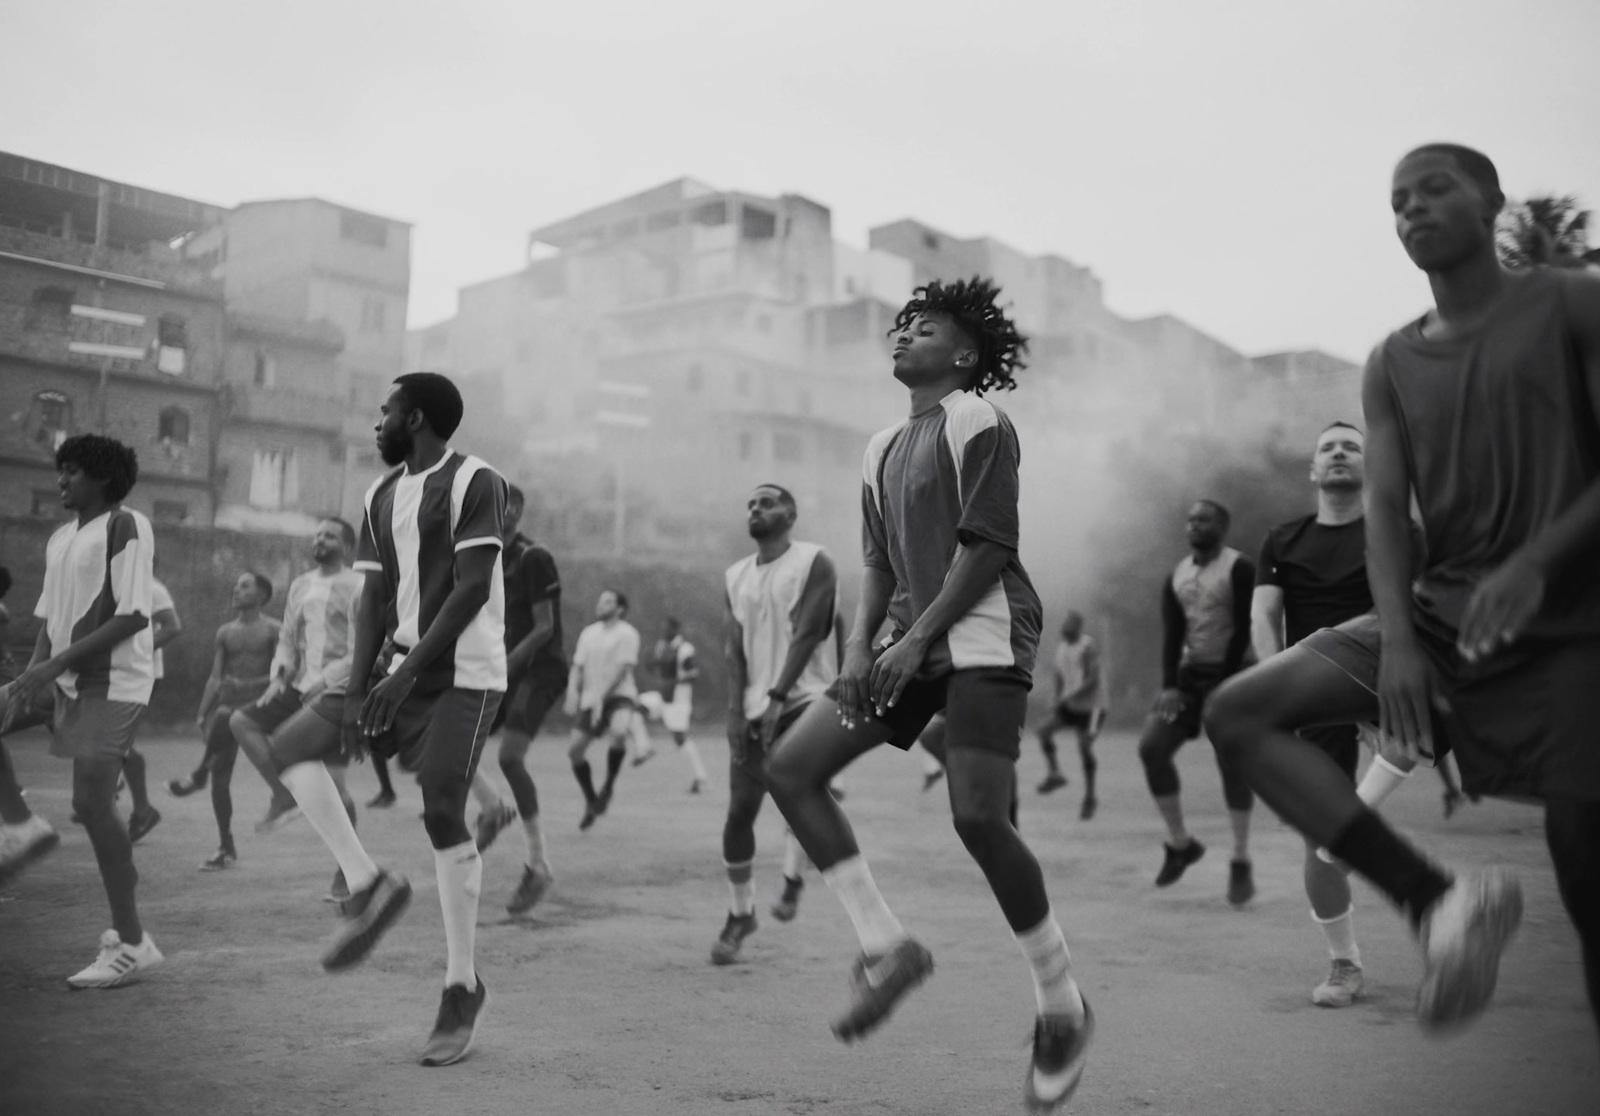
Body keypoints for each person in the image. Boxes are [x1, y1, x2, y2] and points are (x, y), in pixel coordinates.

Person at [1205, 143, 1599, 1038]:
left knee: (1585, 864)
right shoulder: (1391, 360)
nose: (1412, 210)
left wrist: (1538, 562)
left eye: (1435, 189)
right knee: (1240, 714)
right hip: (1439, 614)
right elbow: (1386, 511)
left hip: (1574, 620)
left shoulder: (1570, 303)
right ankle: (1437, 903)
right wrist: (1402, 643)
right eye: (1397, 201)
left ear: (1492, 200)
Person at [765, 278, 1092, 1112]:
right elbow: (875, 564)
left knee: (979, 817)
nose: (905, 333)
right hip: (904, 639)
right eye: (901, 325)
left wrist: (915, 642)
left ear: (964, 354)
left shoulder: (980, 419)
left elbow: (987, 549)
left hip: (982, 632)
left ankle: (1061, 1004)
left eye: (926, 325)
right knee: (793, 767)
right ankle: (887, 945)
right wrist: (858, 648)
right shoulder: (879, 446)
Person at [322, 371, 509, 1065]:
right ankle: (369, 881)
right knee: (305, 751)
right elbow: (373, 599)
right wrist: (353, 689)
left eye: (388, 412)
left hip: (468, 671)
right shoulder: (378, 494)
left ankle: (461, 986)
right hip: (403, 668)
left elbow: (471, 591)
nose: (378, 423)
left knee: (438, 804)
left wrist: (401, 677)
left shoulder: (476, 482)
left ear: (418, 418)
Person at [5, 434, 163, 987]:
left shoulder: (127, 526)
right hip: (64, 676)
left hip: (113, 682)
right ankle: (20, 827)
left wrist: (49, 669)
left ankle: (133, 941)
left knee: (92, 807)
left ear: (101, 477)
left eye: (72, 471)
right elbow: (50, 618)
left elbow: (133, 617)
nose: (61, 480)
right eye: (60, 470)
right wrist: (30, 674)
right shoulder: (59, 538)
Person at [1251, 421, 1392, 1007]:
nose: (1338, 453)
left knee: (1405, 755)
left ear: (1368, 466)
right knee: (1319, 840)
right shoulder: (1282, 540)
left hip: (1386, 685)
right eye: (1328, 447)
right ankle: (1344, 965)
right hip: (1312, 692)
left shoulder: (1392, 534)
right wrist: (1276, 689)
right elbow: (1264, 619)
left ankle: (1359, 829)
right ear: (1312, 470)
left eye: (1351, 446)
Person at [713, 484, 839, 964]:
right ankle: (740, 913)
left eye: (766, 502)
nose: (755, 508)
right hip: (751, 710)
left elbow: (810, 632)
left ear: (790, 512)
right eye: (750, 503)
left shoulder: (814, 561)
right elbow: (734, 649)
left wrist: (777, 698)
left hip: (802, 701)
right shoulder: (735, 576)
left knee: (799, 803)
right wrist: (733, 711)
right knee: (739, 813)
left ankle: (792, 879)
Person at [230, 521, 364, 902]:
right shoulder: (301, 585)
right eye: (318, 534)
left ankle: (349, 873)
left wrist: (331, 679)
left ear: (347, 547)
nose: (320, 540)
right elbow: (289, 638)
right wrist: (280, 674)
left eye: (331, 536)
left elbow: (363, 647)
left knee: (337, 792)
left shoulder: (359, 586)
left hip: (336, 693)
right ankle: (283, 794)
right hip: (298, 686)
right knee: (241, 721)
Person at [1137, 500, 1257, 904]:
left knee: (1231, 759)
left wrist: (1225, 686)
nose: (1194, 525)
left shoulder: (1240, 568)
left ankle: (1240, 859)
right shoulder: (1177, 575)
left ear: (1222, 526)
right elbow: (1173, 635)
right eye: (1190, 519)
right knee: (1152, 747)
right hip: (1189, 678)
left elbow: (1244, 628)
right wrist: (1170, 685)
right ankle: (1181, 844)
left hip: (1235, 672)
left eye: (1203, 519)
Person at [468, 484, 566, 915]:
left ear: (517, 512)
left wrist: (504, 665)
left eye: (506, 505)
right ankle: (492, 808)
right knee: (454, 741)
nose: (498, 512)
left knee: (510, 758)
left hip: (539, 669)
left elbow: (545, 627)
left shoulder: (533, 557)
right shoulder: (481, 558)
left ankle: (538, 865)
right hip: (499, 666)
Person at [167, 572, 279, 868]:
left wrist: (250, 684)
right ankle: (225, 846)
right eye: (236, 585)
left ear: (262, 595)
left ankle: (198, 774)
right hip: (228, 710)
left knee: (227, 715)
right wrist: (201, 713)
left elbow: (283, 675)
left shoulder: (274, 630)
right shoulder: (225, 632)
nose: (236, 590)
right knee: (221, 775)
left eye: (245, 586)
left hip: (261, 708)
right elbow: (216, 678)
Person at [0, 565, 61, 883]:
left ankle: (19, 823)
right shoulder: (64, 550)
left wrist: (36, 675)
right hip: (43, 679)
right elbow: (48, 629)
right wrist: (29, 678)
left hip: (65, 680)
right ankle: (18, 822)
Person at [564, 589, 641, 831]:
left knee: (619, 732)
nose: (600, 605)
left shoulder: (627, 633)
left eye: (607, 601)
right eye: (599, 601)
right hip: (591, 700)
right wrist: (572, 691)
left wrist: (601, 699)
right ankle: (591, 800)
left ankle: (608, 785)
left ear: (619, 608)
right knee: (575, 751)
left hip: (618, 696)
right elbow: (577, 666)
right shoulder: (589, 633)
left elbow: (622, 670)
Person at [1034, 611, 1107, 819]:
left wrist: (1068, 696)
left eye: (1068, 625)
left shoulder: (1087, 647)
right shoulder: (1062, 648)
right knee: (1043, 731)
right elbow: (1058, 675)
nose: (1064, 629)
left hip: (1093, 708)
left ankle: (1090, 797)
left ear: (1077, 628)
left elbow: (1093, 681)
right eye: (1064, 624)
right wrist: (1056, 697)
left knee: (1084, 747)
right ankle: (1055, 774)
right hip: (1071, 705)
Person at [634, 618, 711, 794]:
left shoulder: (684, 649)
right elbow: (653, 667)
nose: (664, 631)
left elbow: (694, 673)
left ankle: (700, 776)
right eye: (663, 628)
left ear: (676, 629)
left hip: (678, 700)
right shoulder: (662, 646)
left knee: (679, 739)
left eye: (667, 629)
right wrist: (651, 658)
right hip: (662, 697)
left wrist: (676, 682)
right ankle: (645, 747)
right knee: (636, 708)